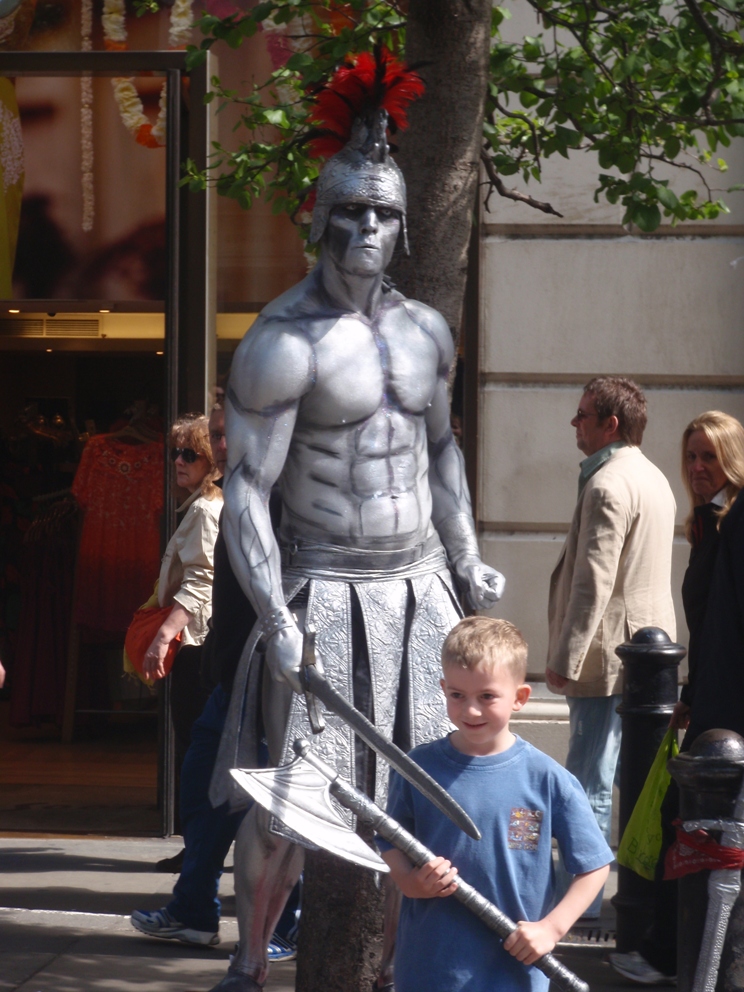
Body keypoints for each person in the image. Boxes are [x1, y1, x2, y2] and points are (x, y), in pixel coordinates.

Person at [208, 56, 505, 992]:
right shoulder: (279, 342)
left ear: (406, 222)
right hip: (323, 586)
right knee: (293, 803)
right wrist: (281, 619)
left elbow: (444, 453)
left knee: (420, 795)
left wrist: (467, 556)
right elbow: (249, 490)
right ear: (320, 221)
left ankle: (404, 970)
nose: (368, 229)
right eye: (351, 212)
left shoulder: (426, 331)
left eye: (383, 214)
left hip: (418, 587)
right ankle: (251, 963)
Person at [131, 405, 298, 955]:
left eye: (224, 436)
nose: (219, 447)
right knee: (205, 794)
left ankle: (283, 925)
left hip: (271, 684)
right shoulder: (232, 505)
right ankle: (194, 908)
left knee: (271, 808)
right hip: (230, 678)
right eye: (216, 437)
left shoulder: (281, 503)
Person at [379, 616, 612, 992]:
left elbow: (595, 866)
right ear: (443, 689)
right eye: (457, 695)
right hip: (430, 966)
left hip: (514, 971)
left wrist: (551, 929)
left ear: (520, 698)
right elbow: (389, 837)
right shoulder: (417, 769)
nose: (470, 710)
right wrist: (409, 882)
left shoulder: (547, 779)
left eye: (487, 696)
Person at [610, 411, 744, 985]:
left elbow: (731, 625)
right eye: (690, 455)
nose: (696, 468)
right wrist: (691, 691)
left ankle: (675, 953)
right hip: (714, 701)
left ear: (732, 461)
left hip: (730, 713)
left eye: (709, 457)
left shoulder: (736, 523)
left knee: (694, 826)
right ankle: (679, 952)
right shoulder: (710, 523)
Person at [545, 376, 676, 917]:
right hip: (648, 653)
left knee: (589, 782)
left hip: (607, 654)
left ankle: (585, 904)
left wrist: (563, 661)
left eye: (582, 415)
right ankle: (635, 899)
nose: (574, 424)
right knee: (630, 777)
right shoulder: (654, 477)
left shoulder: (606, 484)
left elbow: (593, 582)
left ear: (610, 424)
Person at [143, 414, 223, 827]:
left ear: (211, 461)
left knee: (194, 745)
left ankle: (198, 842)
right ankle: (197, 842)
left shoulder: (205, 512)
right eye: (176, 451)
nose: (179, 460)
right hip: (192, 643)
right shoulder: (196, 509)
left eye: (190, 454)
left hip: (194, 645)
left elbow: (200, 582)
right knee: (193, 742)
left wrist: (163, 635)